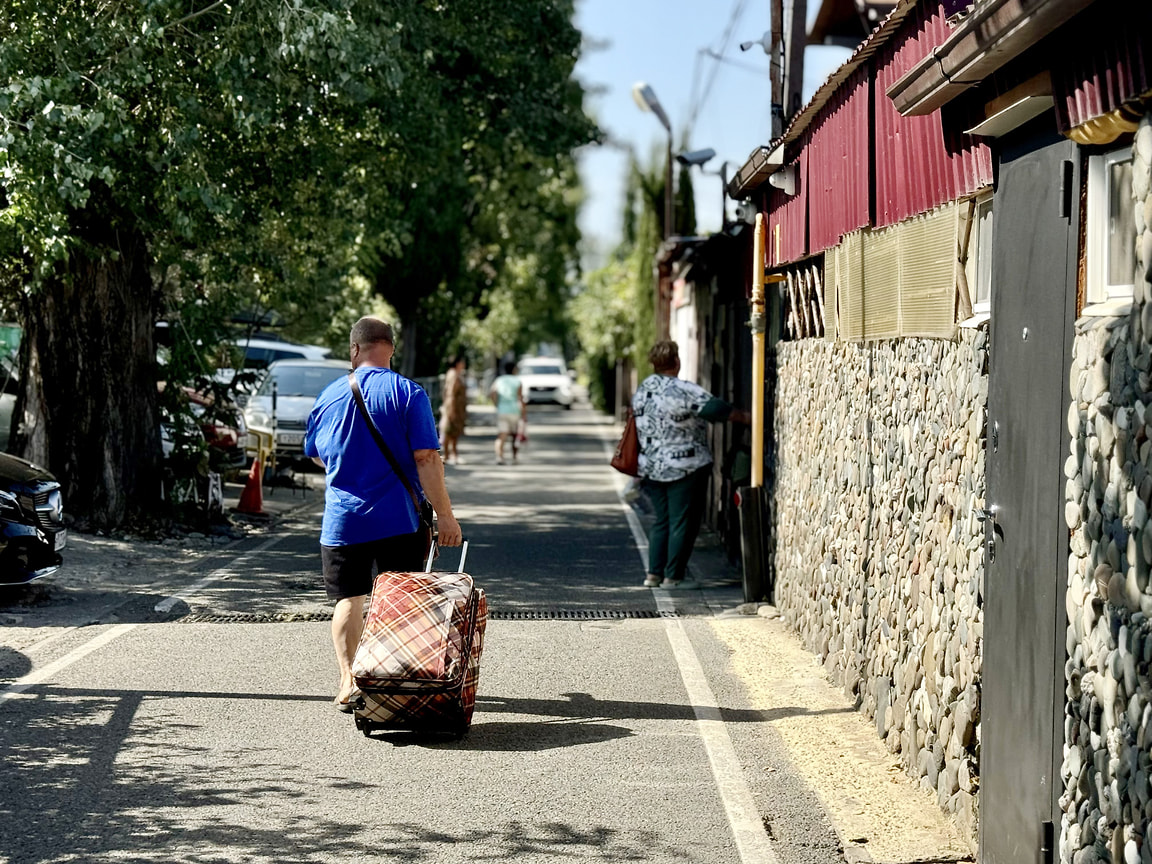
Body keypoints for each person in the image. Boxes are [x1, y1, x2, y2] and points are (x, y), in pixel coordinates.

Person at [304, 317, 463, 712]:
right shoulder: (408, 394)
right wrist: (445, 515)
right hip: (399, 519)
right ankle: (397, 680)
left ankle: (347, 681)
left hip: (343, 520)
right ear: (391, 349)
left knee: (348, 601)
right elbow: (426, 458)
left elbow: (315, 453)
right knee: (400, 603)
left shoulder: (328, 396)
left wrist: (349, 470)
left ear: (354, 350)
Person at [632, 340, 750, 589]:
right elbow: (716, 409)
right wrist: (745, 418)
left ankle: (653, 574)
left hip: (651, 466)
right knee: (681, 521)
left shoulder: (644, 389)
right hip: (685, 466)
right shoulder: (682, 389)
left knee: (661, 520)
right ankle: (673, 577)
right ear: (676, 362)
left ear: (654, 364)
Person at [489, 360, 526, 465]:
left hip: (502, 410)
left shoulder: (499, 380)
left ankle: (499, 457)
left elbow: (492, 392)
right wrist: (524, 413)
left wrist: (496, 403)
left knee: (501, 435)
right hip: (514, 410)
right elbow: (520, 398)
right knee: (515, 435)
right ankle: (514, 457)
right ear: (514, 369)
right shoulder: (517, 381)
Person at [439, 354, 468, 464]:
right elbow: (451, 393)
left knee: (454, 431)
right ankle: (448, 454)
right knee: (449, 430)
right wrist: (451, 409)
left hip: (457, 407)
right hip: (453, 406)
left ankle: (452, 453)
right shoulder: (453, 375)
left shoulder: (456, 374)